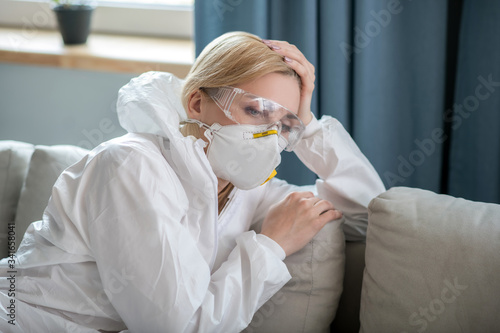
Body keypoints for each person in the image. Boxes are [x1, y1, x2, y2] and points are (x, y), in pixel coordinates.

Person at [0, 31, 385, 332]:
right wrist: (270, 247)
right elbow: (176, 327)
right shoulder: (131, 166)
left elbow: (368, 213)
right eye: (255, 110)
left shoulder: (248, 189)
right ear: (198, 103)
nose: (270, 136)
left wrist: (309, 126)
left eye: (283, 124)